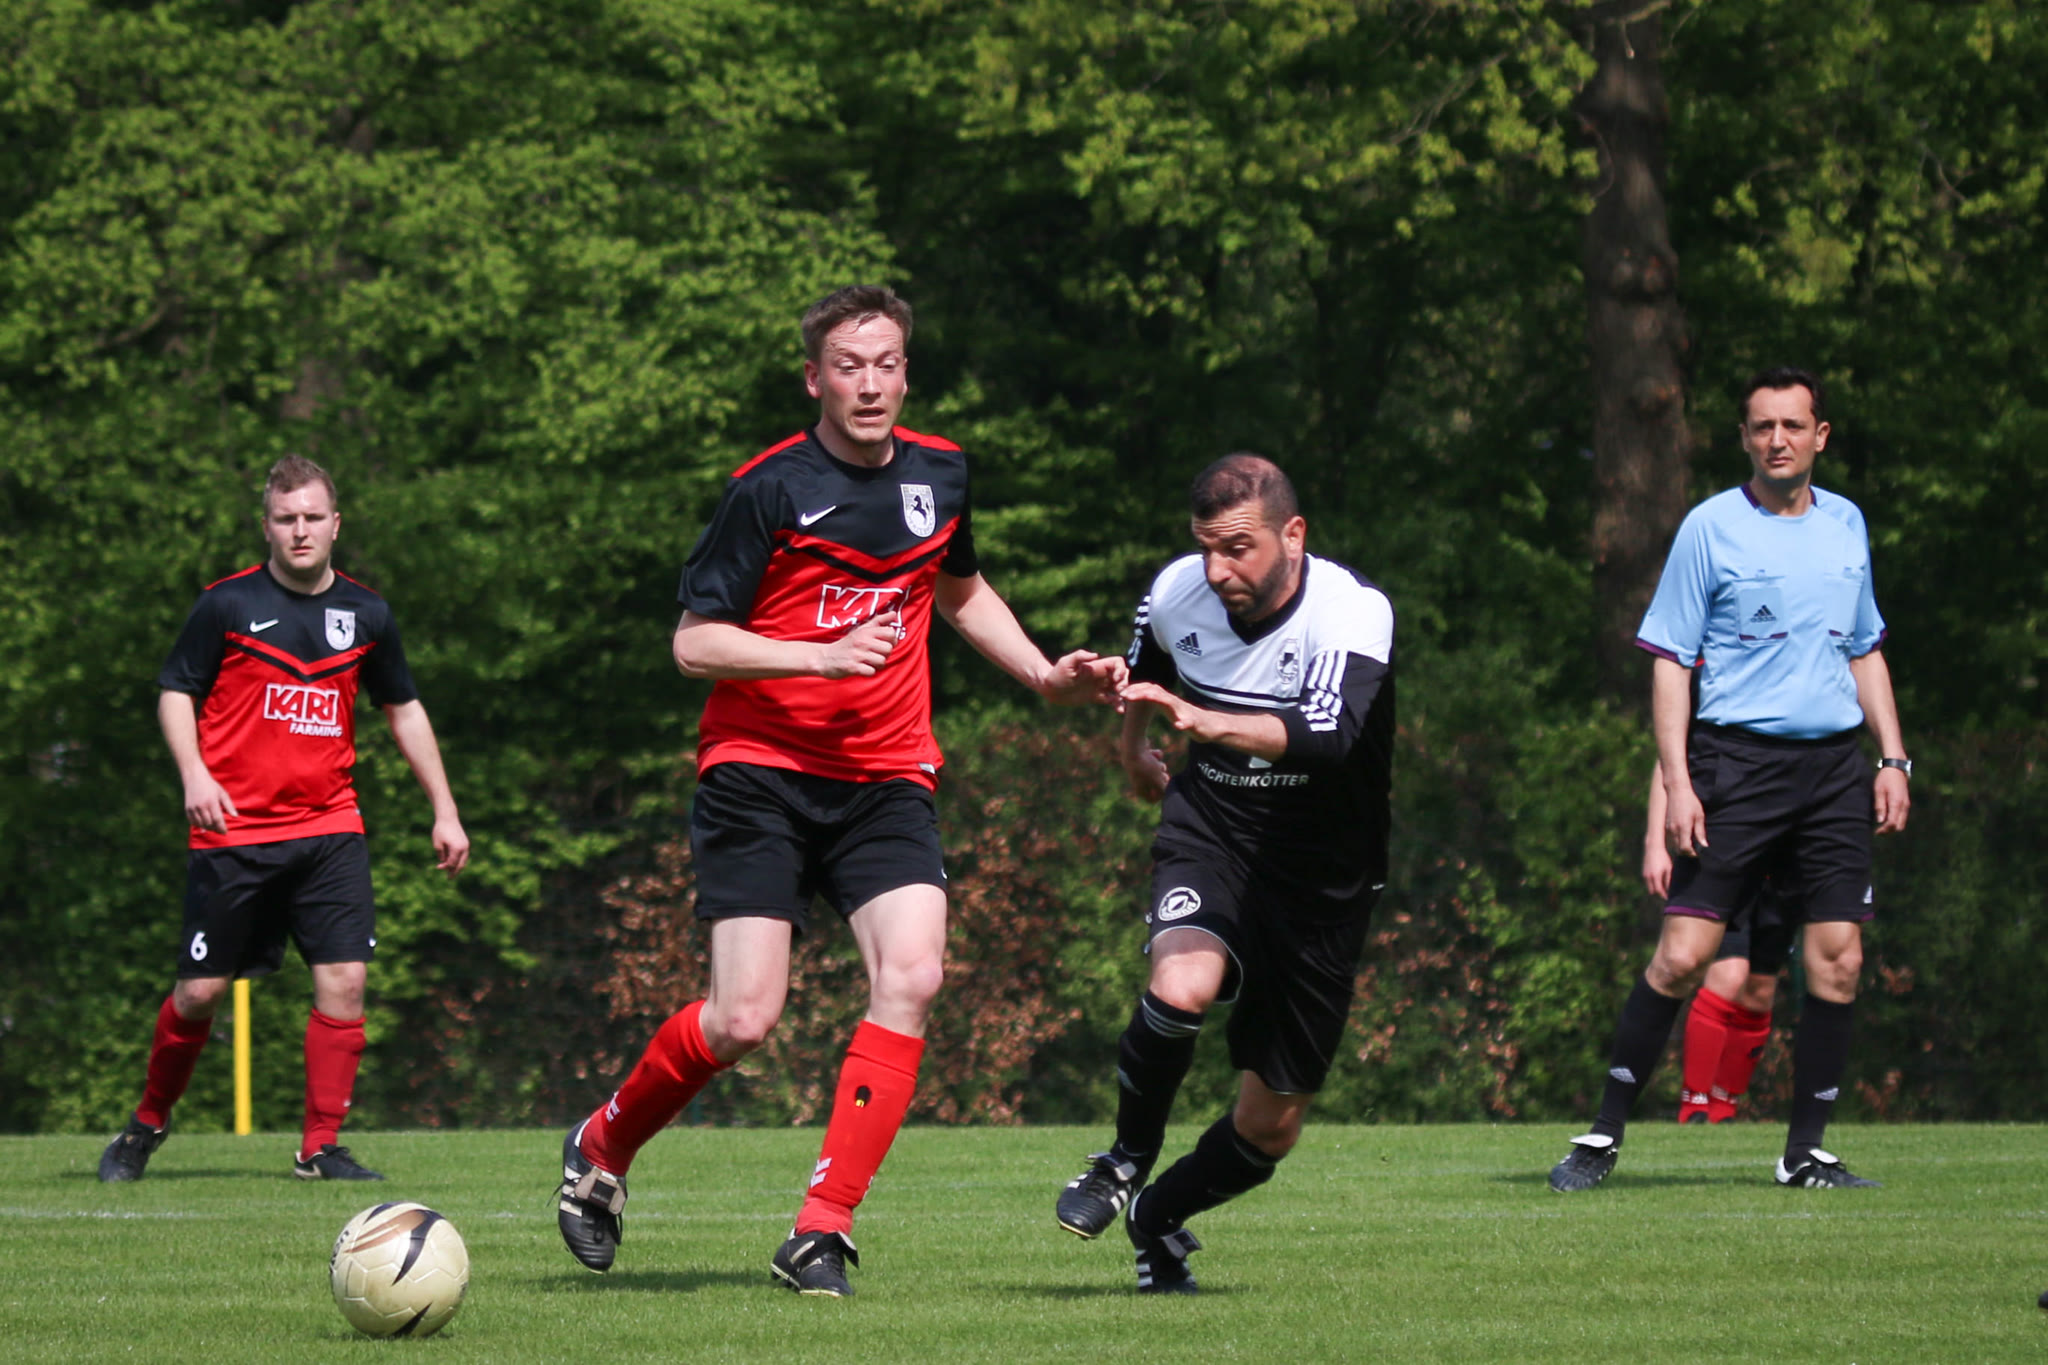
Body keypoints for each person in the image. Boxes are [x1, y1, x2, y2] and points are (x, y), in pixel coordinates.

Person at [554, 284, 1124, 1297]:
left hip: (885, 776)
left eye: (886, 364)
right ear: (813, 379)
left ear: (906, 373)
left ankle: (820, 1230)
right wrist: (815, 657)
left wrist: (1043, 675)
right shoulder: (768, 489)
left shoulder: (941, 473)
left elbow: (958, 592)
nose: (870, 385)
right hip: (759, 773)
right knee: (742, 1019)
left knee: (914, 975)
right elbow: (693, 642)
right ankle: (601, 1145)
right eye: (849, 367)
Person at [1550, 366, 1910, 1193]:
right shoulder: (1709, 527)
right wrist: (1679, 783)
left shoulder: (1847, 524)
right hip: (1735, 766)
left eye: (1793, 425)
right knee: (1684, 956)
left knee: (1839, 960)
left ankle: (1804, 1152)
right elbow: (1671, 663)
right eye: (1762, 427)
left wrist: (1892, 756)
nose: (1778, 440)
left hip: (1833, 770)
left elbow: (1864, 648)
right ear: (1744, 438)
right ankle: (1601, 1137)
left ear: (1820, 436)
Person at [1053, 454, 1394, 1295]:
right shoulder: (1176, 591)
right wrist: (1133, 751)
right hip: (1214, 828)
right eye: (1206, 547)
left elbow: (1327, 735)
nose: (1217, 570)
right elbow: (1145, 679)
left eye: (1238, 548)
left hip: (1322, 873)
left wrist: (1206, 720)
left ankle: (1156, 1216)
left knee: (1270, 1125)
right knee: (1181, 987)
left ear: (1293, 534)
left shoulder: (1353, 611)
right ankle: (1123, 1158)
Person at [98, 456, 470, 1184]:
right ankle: (146, 1124)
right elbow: (175, 691)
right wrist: (195, 775)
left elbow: (404, 708)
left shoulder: (368, 614)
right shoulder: (226, 605)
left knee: (346, 981)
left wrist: (445, 810)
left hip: (329, 828)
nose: (300, 530)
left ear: (336, 524)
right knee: (200, 993)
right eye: (285, 518)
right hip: (233, 833)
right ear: (266, 526)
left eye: (312, 517)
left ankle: (319, 1148)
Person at [1641, 763, 1788, 1124]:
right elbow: (1665, 763)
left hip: (1781, 863)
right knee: (1729, 976)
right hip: (1723, 850)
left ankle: (1723, 1112)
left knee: (1760, 991)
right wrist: (1655, 843)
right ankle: (1694, 1105)